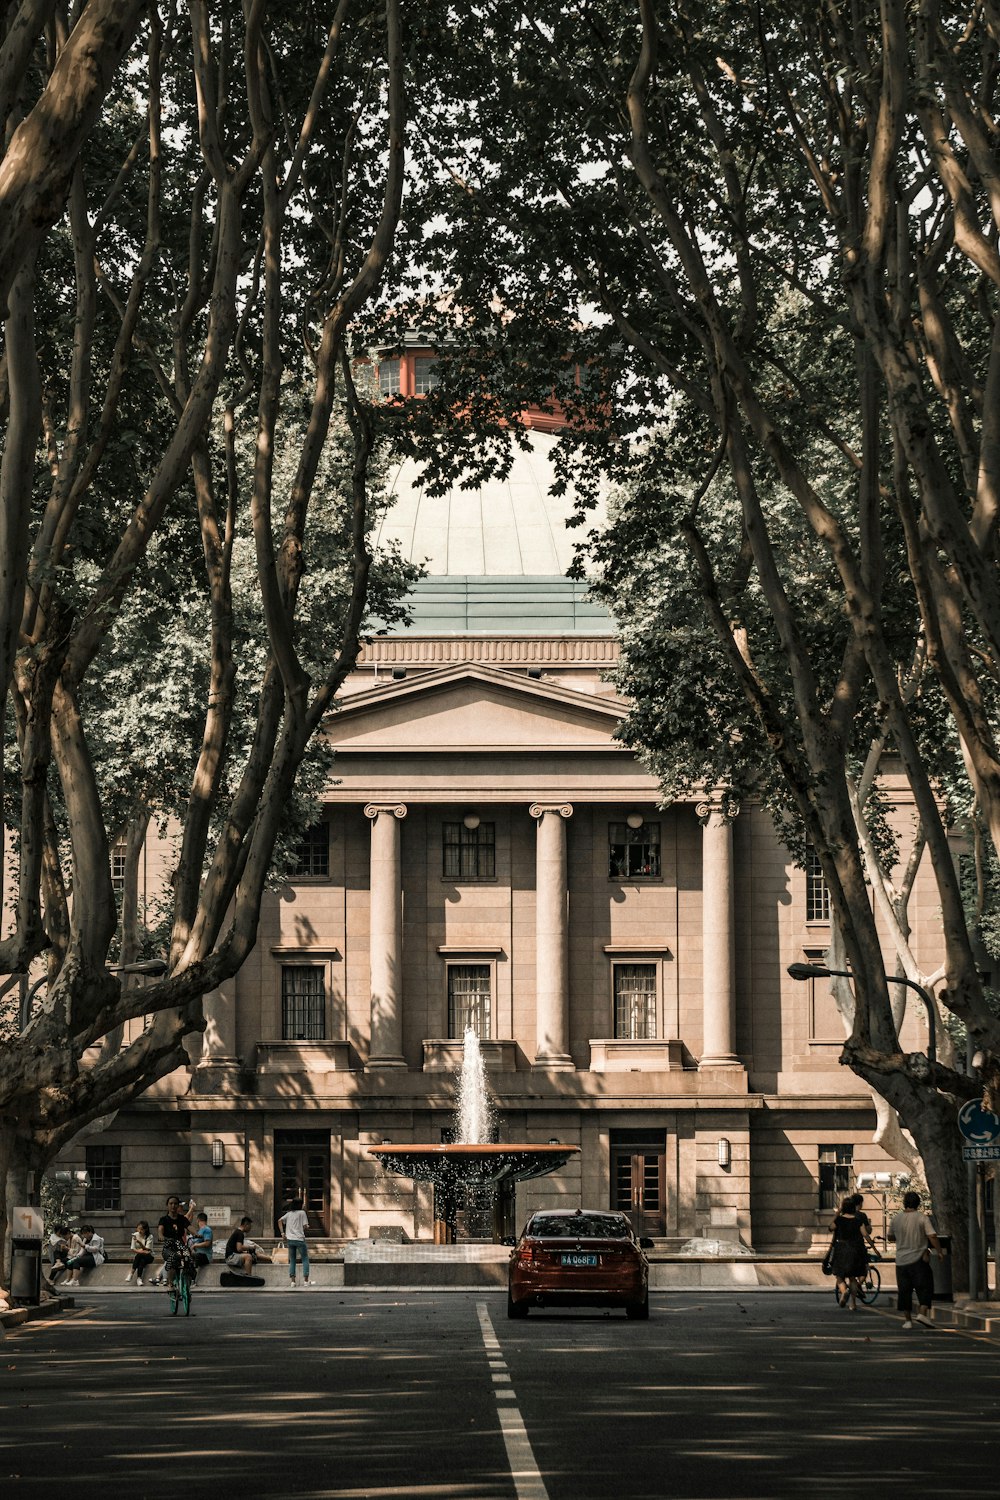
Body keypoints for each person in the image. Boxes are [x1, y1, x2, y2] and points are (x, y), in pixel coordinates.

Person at [889, 1189, 945, 1330]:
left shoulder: (896, 1219)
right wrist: (939, 1252)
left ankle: (907, 1321)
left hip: (901, 1260)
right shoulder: (922, 1218)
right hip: (918, 1259)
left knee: (904, 1291)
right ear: (918, 1203)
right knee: (926, 1287)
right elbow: (932, 1235)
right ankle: (922, 1313)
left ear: (904, 1203)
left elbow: (890, 1237)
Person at [829, 1196, 868, 1310]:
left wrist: (838, 1213)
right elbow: (865, 1234)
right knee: (852, 1277)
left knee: (839, 1276)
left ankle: (844, 1291)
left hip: (841, 1249)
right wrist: (874, 1248)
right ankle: (853, 1303)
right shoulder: (858, 1220)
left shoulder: (839, 1220)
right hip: (855, 1250)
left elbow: (830, 1227)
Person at [153, 1195, 195, 1289]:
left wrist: (196, 1233)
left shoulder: (182, 1219)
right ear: (167, 1205)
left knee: (188, 1257)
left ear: (178, 1205)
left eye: (175, 1203)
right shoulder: (164, 1219)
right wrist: (161, 1236)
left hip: (180, 1245)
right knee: (173, 1258)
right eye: (171, 1203)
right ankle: (170, 1283)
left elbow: (189, 1227)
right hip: (169, 1247)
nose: (173, 1206)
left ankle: (188, 1279)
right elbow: (160, 1229)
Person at [278, 1197, 312, 1289]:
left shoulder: (289, 1214)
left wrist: (282, 1233)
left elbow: (279, 1221)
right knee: (305, 1259)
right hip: (300, 1239)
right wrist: (307, 1226)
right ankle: (305, 1281)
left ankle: (293, 1282)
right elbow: (305, 1226)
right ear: (300, 1204)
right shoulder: (302, 1213)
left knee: (292, 1260)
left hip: (290, 1240)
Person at [125, 1221, 155, 1285]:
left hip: (149, 1256)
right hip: (140, 1256)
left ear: (145, 1229)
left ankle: (131, 1273)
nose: (139, 1231)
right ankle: (139, 1279)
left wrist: (140, 1243)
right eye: (138, 1228)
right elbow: (133, 1248)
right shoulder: (135, 1235)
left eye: (141, 1229)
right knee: (141, 1260)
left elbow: (147, 1249)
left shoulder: (149, 1236)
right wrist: (141, 1251)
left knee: (140, 1256)